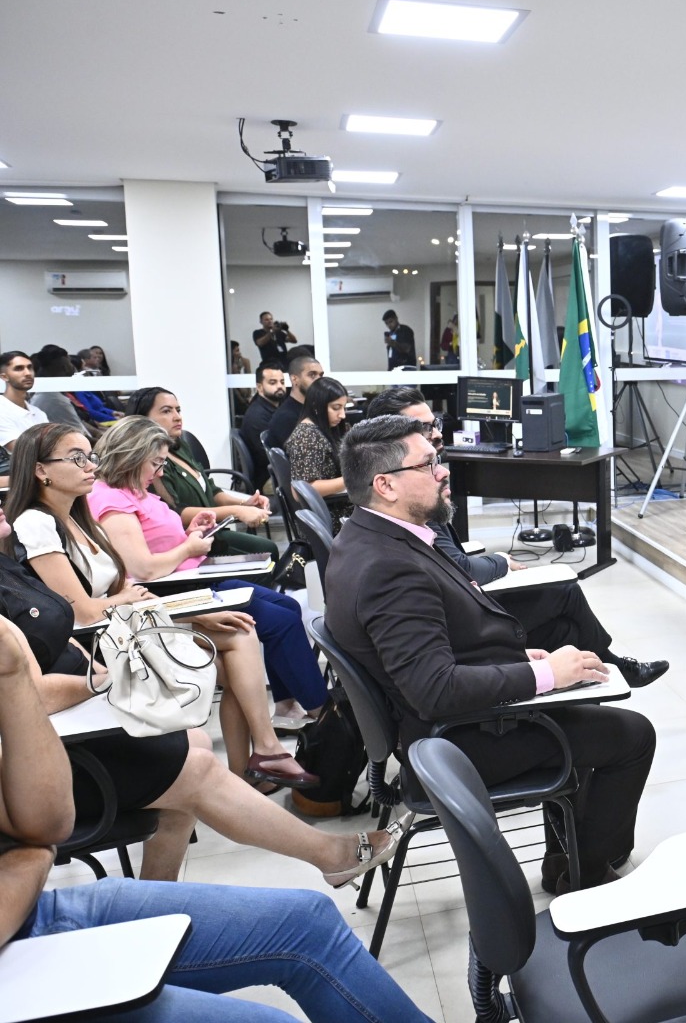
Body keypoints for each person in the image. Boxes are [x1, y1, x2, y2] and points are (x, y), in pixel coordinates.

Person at [0, 618, 428, 1022]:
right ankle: (279, 776)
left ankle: (269, 761)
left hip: (37, 909)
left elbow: (45, 832)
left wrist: (14, 671)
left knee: (310, 920)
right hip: (17, 953)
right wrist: (31, 856)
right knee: (193, 760)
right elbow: (37, 844)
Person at [326, 415, 657, 894]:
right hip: (455, 742)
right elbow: (435, 690)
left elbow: (431, 648)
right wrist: (544, 675)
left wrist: (520, 660)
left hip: (440, 727)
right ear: (386, 485)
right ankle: (586, 877)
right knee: (631, 735)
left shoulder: (369, 537)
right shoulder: (388, 568)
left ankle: (569, 857)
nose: (442, 470)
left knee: (586, 701)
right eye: (428, 463)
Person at [0, 501, 405, 886]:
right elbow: (36, 690)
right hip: (46, 763)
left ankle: (159, 894)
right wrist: (106, 682)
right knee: (193, 767)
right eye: (77, 460)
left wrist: (112, 666)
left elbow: (69, 632)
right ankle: (331, 855)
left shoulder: (7, 566)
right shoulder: (43, 531)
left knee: (195, 739)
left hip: (79, 702)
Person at [11, 421, 327, 774]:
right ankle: (266, 753)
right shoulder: (36, 523)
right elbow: (83, 613)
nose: (91, 467)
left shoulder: (80, 517)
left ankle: (256, 763)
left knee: (239, 634)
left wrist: (194, 615)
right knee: (240, 643)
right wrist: (148, 604)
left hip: (124, 623)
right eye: (77, 458)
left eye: (91, 457)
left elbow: (126, 591)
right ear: (41, 470)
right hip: (99, 643)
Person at [364, 387, 669, 688]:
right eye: (423, 428)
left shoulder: (405, 496)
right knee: (565, 592)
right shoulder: (411, 498)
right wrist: (500, 561)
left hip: (461, 612)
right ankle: (614, 668)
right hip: (466, 624)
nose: (436, 434)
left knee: (565, 631)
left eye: (435, 424)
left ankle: (600, 677)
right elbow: (459, 568)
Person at [125, 386, 277, 558]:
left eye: (178, 410)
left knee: (267, 549)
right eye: (166, 411)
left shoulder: (179, 446)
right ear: (143, 419)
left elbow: (211, 490)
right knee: (268, 550)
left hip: (210, 532)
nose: (177, 417)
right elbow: (175, 512)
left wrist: (245, 504)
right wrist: (237, 511)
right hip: (186, 542)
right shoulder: (149, 463)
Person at [285, 376, 353, 532]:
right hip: (331, 517)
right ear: (317, 406)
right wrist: (352, 479)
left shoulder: (323, 429)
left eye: (344, 408)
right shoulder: (307, 436)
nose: (342, 415)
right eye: (336, 408)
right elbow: (302, 490)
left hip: (335, 508)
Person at [26, 346, 96, 440]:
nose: (72, 369)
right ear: (64, 368)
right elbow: (80, 437)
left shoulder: (50, 394)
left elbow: (78, 424)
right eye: (69, 364)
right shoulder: (54, 400)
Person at [239, 361, 286, 491]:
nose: (279, 386)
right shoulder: (257, 416)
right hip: (268, 478)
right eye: (273, 382)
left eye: (282, 382)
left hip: (275, 473)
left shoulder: (276, 408)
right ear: (259, 387)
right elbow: (271, 457)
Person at [264, 354, 323, 451]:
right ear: (294, 379)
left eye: (321, 375)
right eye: (312, 375)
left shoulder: (306, 408)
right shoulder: (287, 417)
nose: (319, 380)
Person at [0, 351, 48, 450]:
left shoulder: (38, 413)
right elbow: (20, 450)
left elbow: (52, 445)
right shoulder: (2, 410)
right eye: (19, 368)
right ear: (4, 376)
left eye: (30, 367)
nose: (28, 373)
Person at [230, 340, 254, 411]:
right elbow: (234, 387)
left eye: (239, 350)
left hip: (246, 395)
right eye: (236, 351)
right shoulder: (229, 366)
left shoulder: (245, 362)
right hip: (237, 397)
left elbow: (249, 380)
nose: (239, 353)